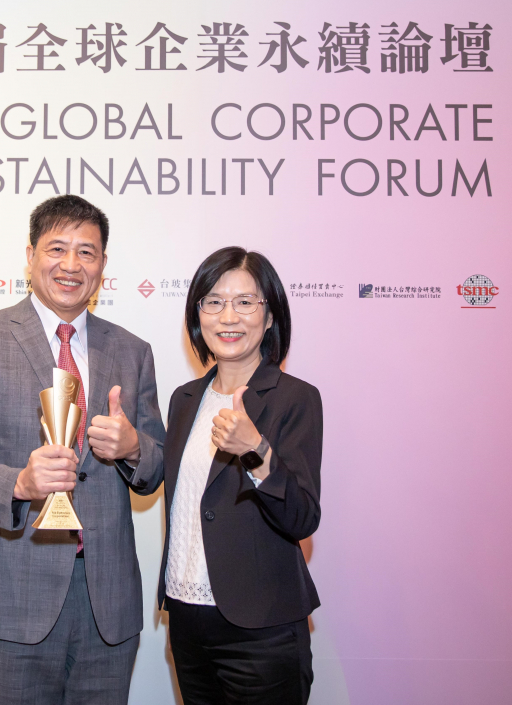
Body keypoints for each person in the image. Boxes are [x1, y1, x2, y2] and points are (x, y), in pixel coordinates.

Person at [0, 196, 165, 705]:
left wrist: (132, 448)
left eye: (87, 252)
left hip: (105, 599)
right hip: (9, 594)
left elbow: (155, 466)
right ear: (31, 255)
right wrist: (19, 483)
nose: (71, 264)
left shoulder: (132, 351)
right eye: (57, 248)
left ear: (102, 264)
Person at [158, 246, 322, 705]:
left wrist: (258, 451)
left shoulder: (295, 398)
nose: (228, 316)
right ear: (198, 315)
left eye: (245, 302)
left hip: (262, 629)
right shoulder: (184, 399)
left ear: (269, 317)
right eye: (214, 301)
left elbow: (303, 518)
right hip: (187, 620)